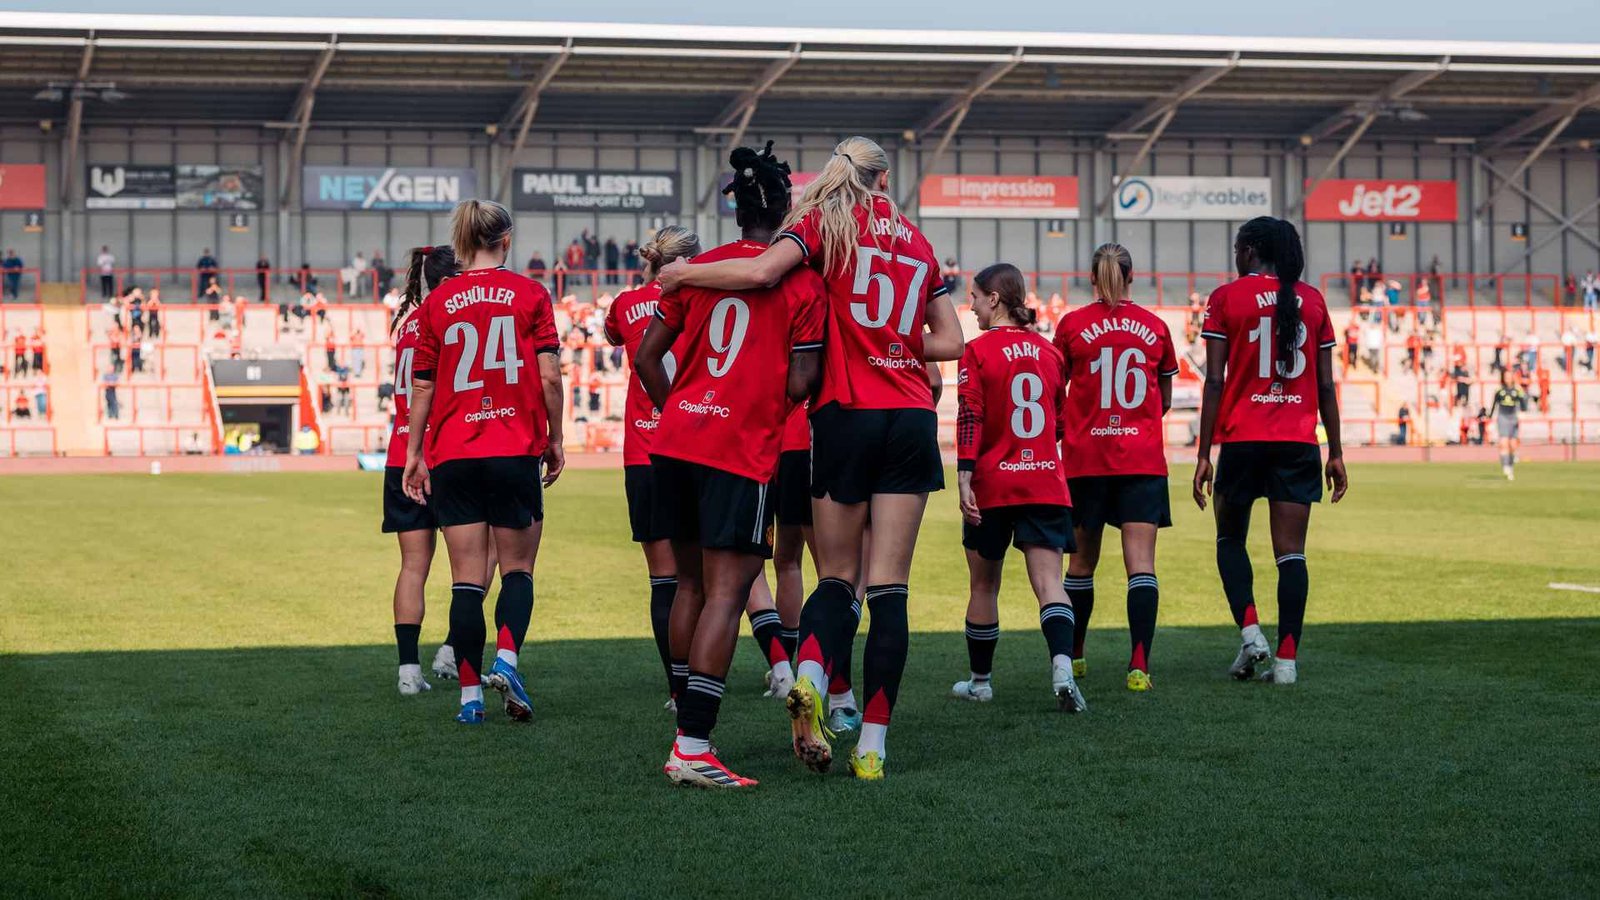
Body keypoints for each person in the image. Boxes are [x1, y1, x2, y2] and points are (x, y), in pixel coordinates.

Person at [659, 135, 965, 780]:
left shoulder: (826, 223)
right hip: (909, 414)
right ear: (884, 179)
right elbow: (951, 341)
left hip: (846, 416)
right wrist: (894, 341)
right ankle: (874, 746)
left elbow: (764, 272)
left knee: (833, 578)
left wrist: (683, 272)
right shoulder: (918, 240)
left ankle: (809, 675)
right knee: (890, 588)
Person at [635, 141, 825, 788]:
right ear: (786, 207)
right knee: (729, 589)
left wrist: (684, 410)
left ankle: (683, 729)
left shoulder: (698, 268)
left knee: (689, 586)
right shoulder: (801, 282)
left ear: (738, 211)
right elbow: (802, 381)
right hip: (739, 452)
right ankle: (693, 746)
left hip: (677, 443)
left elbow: (644, 357)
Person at [402, 199, 564, 725]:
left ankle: (470, 698)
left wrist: (414, 453)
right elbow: (549, 377)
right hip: (513, 446)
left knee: (466, 580)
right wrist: (555, 437)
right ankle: (509, 663)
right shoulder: (531, 294)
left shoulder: (438, 303)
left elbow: (422, 384)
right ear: (506, 240)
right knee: (517, 569)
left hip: (454, 453)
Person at [1194, 216, 1347, 687]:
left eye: (1238, 248)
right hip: (1297, 443)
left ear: (1250, 251)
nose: (1235, 256)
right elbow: (1325, 384)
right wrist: (1336, 452)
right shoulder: (1314, 300)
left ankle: (1251, 631)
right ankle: (1286, 661)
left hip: (1242, 440)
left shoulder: (1226, 297)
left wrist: (1204, 452)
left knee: (1229, 541)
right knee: (1291, 555)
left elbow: (1214, 380)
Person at [947, 262, 1085, 710]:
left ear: (994, 299)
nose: (969, 305)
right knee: (1049, 582)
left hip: (993, 483)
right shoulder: (1049, 353)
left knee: (984, 585)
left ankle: (981, 682)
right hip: (1045, 480)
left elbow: (970, 414)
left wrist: (965, 473)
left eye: (973, 296)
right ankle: (1062, 665)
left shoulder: (978, 350)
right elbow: (1060, 422)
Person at [1054, 243, 1178, 692]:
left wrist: (1081, 423)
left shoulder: (1071, 326)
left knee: (1081, 564)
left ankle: (1079, 654)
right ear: (1132, 275)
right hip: (1141, 460)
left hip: (1086, 461)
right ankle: (1139, 665)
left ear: (1091, 277)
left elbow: (1054, 388)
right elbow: (1162, 399)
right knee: (1140, 566)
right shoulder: (1156, 327)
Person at [602, 226, 699, 708]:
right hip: (701, 445)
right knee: (708, 577)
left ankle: (677, 688)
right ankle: (711, 679)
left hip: (645, 451)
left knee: (665, 578)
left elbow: (612, 333)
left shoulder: (625, 304)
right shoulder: (709, 297)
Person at [385, 244, 468, 693]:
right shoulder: (448, 320)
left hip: (399, 456)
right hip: (441, 454)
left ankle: (407, 672)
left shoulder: (406, 325)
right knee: (480, 557)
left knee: (412, 565)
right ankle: (453, 651)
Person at [1492, 370, 1528, 481]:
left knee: (1512, 445)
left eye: (1509, 376)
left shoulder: (1517, 390)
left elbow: (1523, 404)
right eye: (1506, 376)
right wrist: (1489, 416)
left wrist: (1522, 412)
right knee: (1503, 443)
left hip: (1513, 417)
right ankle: (1505, 466)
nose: (1508, 378)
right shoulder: (1499, 390)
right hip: (1502, 417)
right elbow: (1494, 404)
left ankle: (1511, 466)